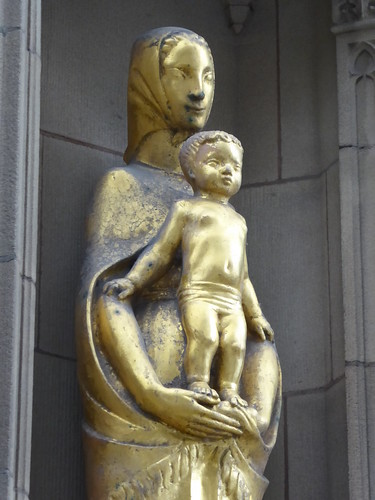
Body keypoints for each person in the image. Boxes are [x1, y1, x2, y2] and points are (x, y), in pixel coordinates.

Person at [76, 27, 281, 499]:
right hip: (143, 410)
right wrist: (153, 394)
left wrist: (260, 408)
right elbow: (105, 299)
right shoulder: (123, 186)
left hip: (225, 416)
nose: (198, 91)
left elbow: (255, 323)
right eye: (181, 74)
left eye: (208, 76)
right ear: (147, 82)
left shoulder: (226, 210)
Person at [104, 130, 274, 412]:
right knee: (205, 336)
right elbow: (160, 252)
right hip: (199, 294)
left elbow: (243, 276)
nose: (227, 171)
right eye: (215, 163)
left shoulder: (239, 221)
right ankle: (198, 382)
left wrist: (255, 314)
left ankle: (229, 391)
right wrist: (133, 281)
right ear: (191, 172)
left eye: (235, 166)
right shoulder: (186, 209)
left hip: (231, 299)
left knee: (235, 344)